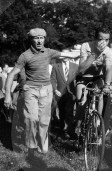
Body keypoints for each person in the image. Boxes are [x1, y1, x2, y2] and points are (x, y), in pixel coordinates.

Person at [4, 28, 83, 156]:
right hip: (31, 90)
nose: (39, 40)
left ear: (44, 39)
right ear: (31, 39)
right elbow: (11, 74)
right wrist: (7, 95)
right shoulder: (25, 56)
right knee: (31, 119)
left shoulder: (49, 52)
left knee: (44, 121)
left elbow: (71, 55)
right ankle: (31, 146)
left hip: (46, 90)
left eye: (42, 38)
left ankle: (42, 146)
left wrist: (88, 51)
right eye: (36, 38)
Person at [75, 26, 112, 133]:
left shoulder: (108, 51)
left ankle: (97, 122)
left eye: (107, 40)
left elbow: (109, 68)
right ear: (95, 39)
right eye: (101, 39)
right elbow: (81, 69)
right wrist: (94, 54)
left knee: (100, 96)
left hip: (97, 78)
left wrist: (108, 84)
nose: (104, 42)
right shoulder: (86, 46)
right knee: (81, 101)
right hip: (84, 77)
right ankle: (78, 125)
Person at [51, 50, 79, 140]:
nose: (66, 56)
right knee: (62, 111)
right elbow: (53, 79)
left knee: (69, 111)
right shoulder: (55, 66)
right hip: (60, 92)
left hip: (71, 92)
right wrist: (55, 90)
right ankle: (62, 128)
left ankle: (68, 131)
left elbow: (77, 79)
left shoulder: (75, 66)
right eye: (64, 54)